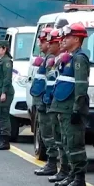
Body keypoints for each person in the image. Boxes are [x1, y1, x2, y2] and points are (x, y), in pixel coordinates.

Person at [49, 23, 90, 186]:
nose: (63, 40)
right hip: (64, 107)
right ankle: (72, 175)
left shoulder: (79, 58)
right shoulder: (70, 57)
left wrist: (76, 109)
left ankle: (79, 179)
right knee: (67, 142)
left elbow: (81, 86)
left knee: (75, 144)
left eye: (67, 37)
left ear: (76, 39)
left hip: (71, 108)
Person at [31, 28, 61, 175]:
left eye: (47, 42)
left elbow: (50, 83)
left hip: (46, 103)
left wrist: (44, 101)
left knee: (49, 135)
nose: (43, 45)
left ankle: (53, 164)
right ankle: (52, 164)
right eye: (44, 42)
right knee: (45, 133)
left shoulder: (53, 60)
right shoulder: (46, 59)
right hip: (42, 101)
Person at [44, 28, 68, 183]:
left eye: (51, 42)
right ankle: (59, 168)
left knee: (64, 139)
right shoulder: (54, 59)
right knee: (57, 137)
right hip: (53, 102)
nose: (47, 45)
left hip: (62, 103)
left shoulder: (67, 59)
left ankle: (66, 171)